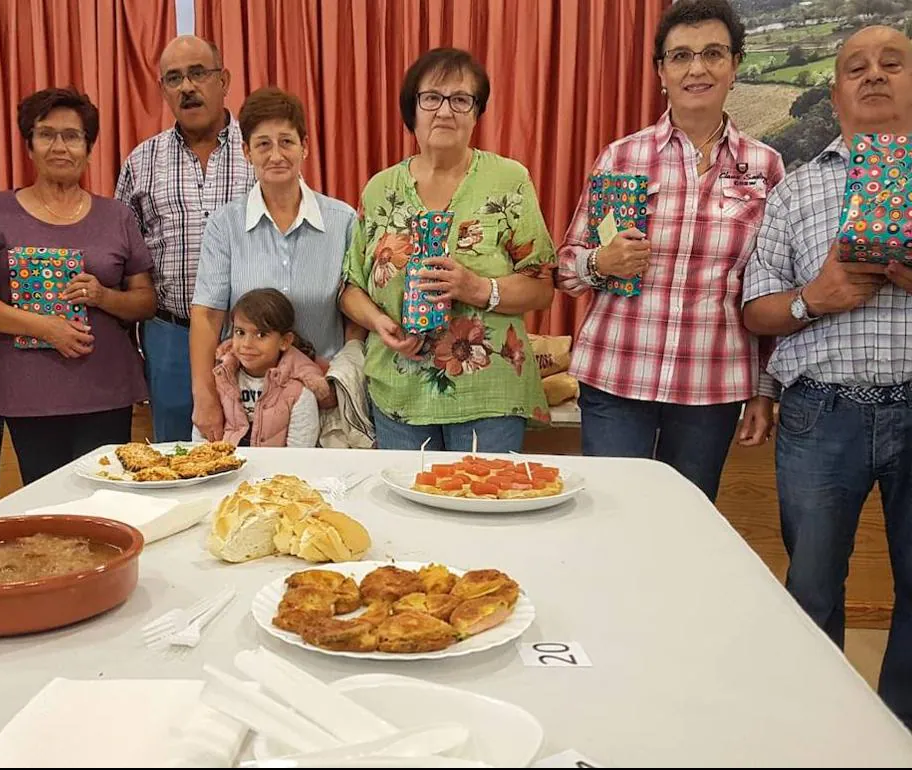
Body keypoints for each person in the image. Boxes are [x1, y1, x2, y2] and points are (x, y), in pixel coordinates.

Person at [742, 25, 912, 728]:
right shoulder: (797, 189)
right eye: (855, 67)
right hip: (821, 415)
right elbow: (757, 309)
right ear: (835, 91)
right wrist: (820, 296)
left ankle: (899, 728)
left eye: (892, 63)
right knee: (810, 587)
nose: (873, 75)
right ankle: (818, 730)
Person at [555, 0, 784, 502]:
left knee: (687, 526)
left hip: (712, 384)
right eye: (680, 56)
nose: (696, 68)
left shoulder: (764, 166)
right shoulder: (622, 156)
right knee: (612, 522)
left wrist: (765, 390)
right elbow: (565, 269)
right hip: (617, 376)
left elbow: (771, 287)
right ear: (661, 70)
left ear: (735, 64)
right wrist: (600, 262)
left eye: (713, 54)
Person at [339, 47, 557, 452]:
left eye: (461, 99)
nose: (445, 111)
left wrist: (478, 288)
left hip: (488, 393)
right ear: (413, 109)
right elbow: (351, 286)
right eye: (432, 98)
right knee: (407, 511)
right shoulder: (381, 188)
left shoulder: (508, 180)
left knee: (483, 510)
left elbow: (542, 285)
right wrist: (377, 323)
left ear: (476, 113)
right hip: (398, 392)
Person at [0, 87, 155, 484]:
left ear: (88, 147)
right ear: (29, 145)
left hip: (105, 388)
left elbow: (145, 300)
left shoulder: (117, 216)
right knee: (45, 503)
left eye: (72, 136)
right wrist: (45, 327)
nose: (59, 146)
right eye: (46, 134)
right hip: (30, 392)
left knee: (106, 503)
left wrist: (103, 296)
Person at [190, 86, 355, 441]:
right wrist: (204, 396)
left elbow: (355, 316)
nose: (276, 155)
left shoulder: (343, 221)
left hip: (323, 400)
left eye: (287, 141)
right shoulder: (225, 225)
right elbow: (207, 315)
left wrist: (343, 383)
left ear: (305, 147)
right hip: (244, 403)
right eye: (263, 144)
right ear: (247, 151)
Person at [116, 35, 256, 441]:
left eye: (198, 73)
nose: (187, 87)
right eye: (174, 78)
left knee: (259, 457)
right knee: (176, 459)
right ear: (162, 90)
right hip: (170, 337)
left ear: (224, 79)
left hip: (249, 337)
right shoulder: (142, 162)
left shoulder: (261, 150)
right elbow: (123, 260)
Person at [192, 288, 329, 447]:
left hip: (277, 470)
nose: (246, 344)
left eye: (261, 335)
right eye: (240, 332)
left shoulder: (298, 392)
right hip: (227, 467)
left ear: (285, 341)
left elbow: (299, 452)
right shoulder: (221, 379)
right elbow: (203, 433)